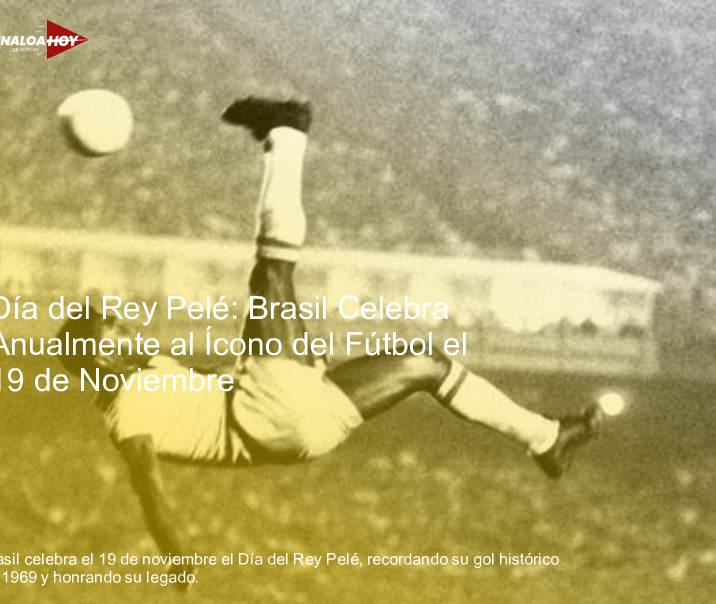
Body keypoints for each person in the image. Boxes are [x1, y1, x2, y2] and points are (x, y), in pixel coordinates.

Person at [56, 98, 602, 571]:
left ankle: (546, 439)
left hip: (300, 425)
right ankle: (286, 132)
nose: (129, 329)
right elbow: (147, 485)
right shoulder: (128, 410)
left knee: (426, 364)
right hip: (267, 415)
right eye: (116, 333)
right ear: (100, 362)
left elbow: (203, 398)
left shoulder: (151, 375)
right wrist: (174, 553)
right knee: (271, 273)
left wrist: (280, 356)